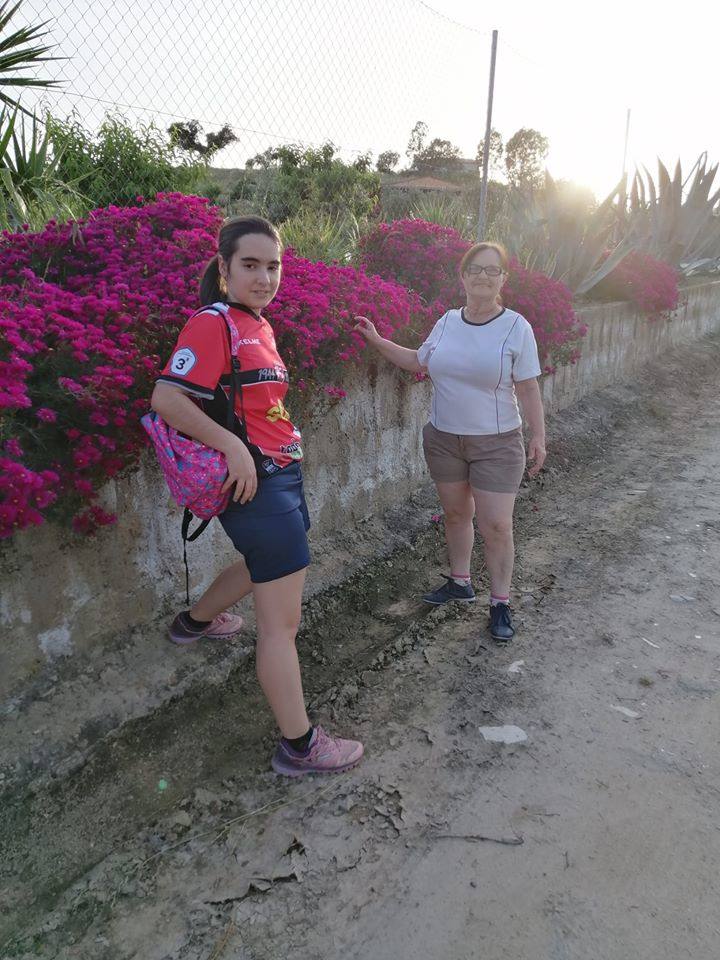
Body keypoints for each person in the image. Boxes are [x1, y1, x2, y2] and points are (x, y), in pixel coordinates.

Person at [151, 215, 363, 776]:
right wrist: (234, 449)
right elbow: (166, 398)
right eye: (250, 265)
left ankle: (193, 624)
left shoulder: (257, 323)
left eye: (273, 265)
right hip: (254, 483)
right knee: (281, 627)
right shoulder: (212, 322)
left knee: (263, 565)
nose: (264, 276)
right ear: (224, 268)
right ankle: (300, 746)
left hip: (279, 475)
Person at [354, 241, 546, 643]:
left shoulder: (516, 327)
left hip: (496, 443)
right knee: (456, 515)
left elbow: (527, 388)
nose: (482, 276)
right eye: (474, 268)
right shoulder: (446, 321)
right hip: (443, 439)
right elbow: (416, 361)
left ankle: (500, 602)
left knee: (496, 525)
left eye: (492, 270)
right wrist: (376, 340)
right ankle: (460, 582)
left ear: (503, 279)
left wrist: (538, 436)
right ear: (462, 276)